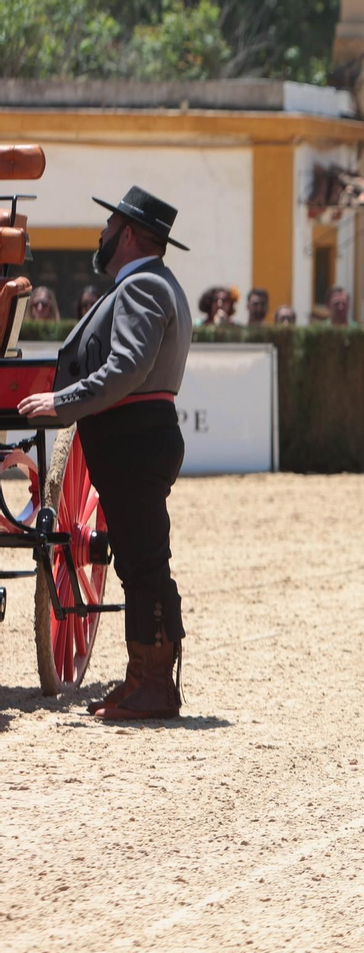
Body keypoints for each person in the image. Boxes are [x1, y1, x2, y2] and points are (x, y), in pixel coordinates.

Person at [19, 186, 192, 720]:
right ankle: (145, 677)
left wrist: (62, 401)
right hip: (139, 434)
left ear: (131, 234)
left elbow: (127, 367)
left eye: (110, 225)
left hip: (134, 436)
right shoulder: (155, 284)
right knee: (143, 560)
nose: (101, 234)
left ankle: (154, 686)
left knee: (144, 563)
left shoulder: (142, 286)